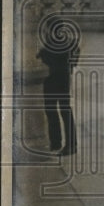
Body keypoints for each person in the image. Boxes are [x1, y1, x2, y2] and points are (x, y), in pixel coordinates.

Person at [39, 22, 78, 155]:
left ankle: (58, 143)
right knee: (64, 110)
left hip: (53, 79)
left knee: (52, 110)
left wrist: (42, 54)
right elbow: (75, 52)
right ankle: (68, 144)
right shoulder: (69, 42)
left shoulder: (52, 43)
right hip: (64, 78)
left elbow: (45, 56)